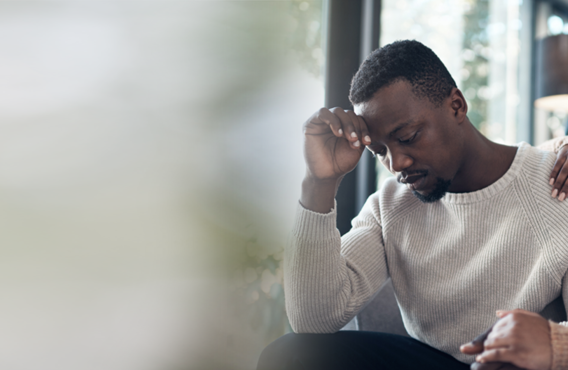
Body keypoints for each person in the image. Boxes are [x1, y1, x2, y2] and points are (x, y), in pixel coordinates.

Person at [257, 40, 568, 370]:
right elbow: (312, 320)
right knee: (291, 353)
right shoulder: (390, 207)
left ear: (457, 106)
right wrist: (319, 182)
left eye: (407, 137)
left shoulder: (557, 187)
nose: (397, 163)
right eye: (379, 152)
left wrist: (551, 343)